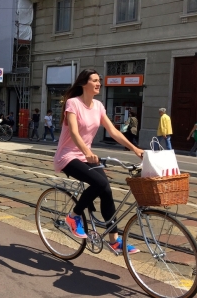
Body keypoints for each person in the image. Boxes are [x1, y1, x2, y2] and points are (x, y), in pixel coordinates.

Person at [54, 69, 144, 254]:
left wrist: (135, 149)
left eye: (99, 80)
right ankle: (73, 216)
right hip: (69, 156)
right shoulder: (73, 103)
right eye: (94, 80)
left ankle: (114, 241)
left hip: (86, 156)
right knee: (99, 182)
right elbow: (73, 132)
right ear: (83, 84)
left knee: (106, 190)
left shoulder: (98, 106)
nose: (98, 83)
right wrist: (87, 151)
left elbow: (113, 131)